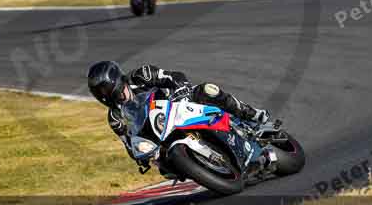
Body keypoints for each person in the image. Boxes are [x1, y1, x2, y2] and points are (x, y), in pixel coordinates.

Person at [87, 61, 271, 159]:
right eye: (99, 91)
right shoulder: (115, 117)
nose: (104, 93)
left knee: (208, 90)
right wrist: (140, 155)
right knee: (164, 165)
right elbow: (128, 144)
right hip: (160, 135)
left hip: (179, 105)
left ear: (115, 79)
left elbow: (174, 76)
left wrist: (180, 90)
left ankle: (250, 113)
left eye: (104, 87)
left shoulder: (142, 75)